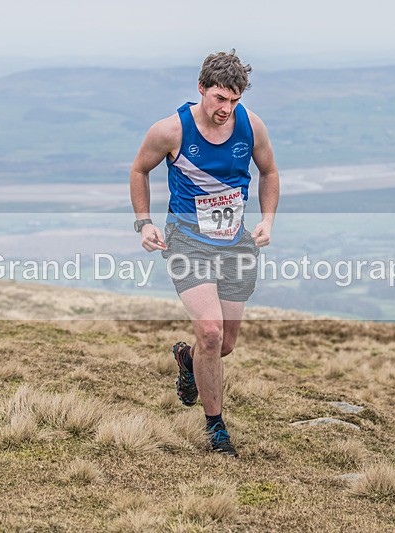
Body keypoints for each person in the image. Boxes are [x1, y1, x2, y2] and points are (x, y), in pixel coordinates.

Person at [129, 50, 280, 457]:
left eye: (234, 100)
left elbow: (269, 172)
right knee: (210, 333)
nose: (225, 109)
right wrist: (144, 222)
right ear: (201, 89)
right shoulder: (171, 130)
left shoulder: (251, 126)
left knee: (224, 344)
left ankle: (187, 360)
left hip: (234, 244)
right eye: (219, 98)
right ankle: (216, 429)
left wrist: (267, 221)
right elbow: (139, 170)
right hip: (187, 241)